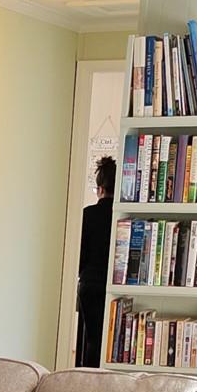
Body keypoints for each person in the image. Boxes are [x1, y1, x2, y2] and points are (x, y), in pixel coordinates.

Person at [75, 154, 116, 369]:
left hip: (90, 283)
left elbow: (80, 256)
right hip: (114, 285)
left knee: (91, 339)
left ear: (100, 189)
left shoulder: (87, 214)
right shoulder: (122, 216)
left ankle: (86, 375)